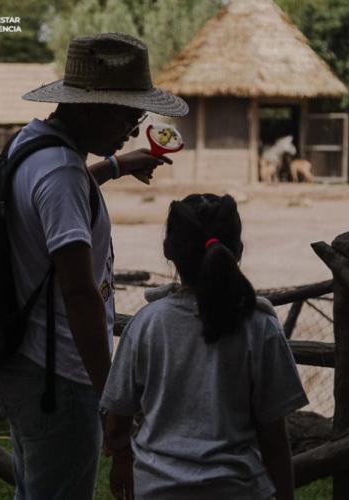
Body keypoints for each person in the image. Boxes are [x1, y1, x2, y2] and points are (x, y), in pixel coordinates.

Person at [0, 32, 188, 500]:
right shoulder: (61, 171)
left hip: (24, 363)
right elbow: (79, 293)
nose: (132, 130)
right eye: (127, 116)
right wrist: (109, 396)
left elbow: (58, 194)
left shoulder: (33, 143)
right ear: (91, 107)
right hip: (59, 375)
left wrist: (116, 166)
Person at [100, 194, 309, 500]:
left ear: (167, 249)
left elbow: (117, 420)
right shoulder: (259, 326)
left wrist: (121, 456)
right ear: (238, 250)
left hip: (157, 490)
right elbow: (274, 438)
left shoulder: (146, 324)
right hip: (238, 490)